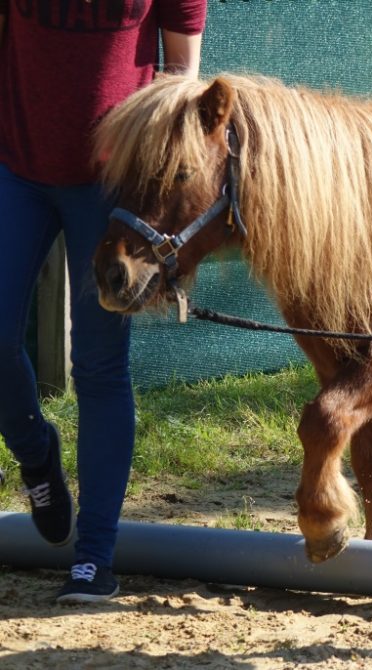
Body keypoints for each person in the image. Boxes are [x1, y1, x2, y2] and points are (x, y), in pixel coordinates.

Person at [0, 0, 206, 603]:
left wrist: (148, 177)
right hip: (16, 167)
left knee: (99, 366)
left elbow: (180, 81)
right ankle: (38, 458)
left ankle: (94, 558)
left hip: (110, 192)